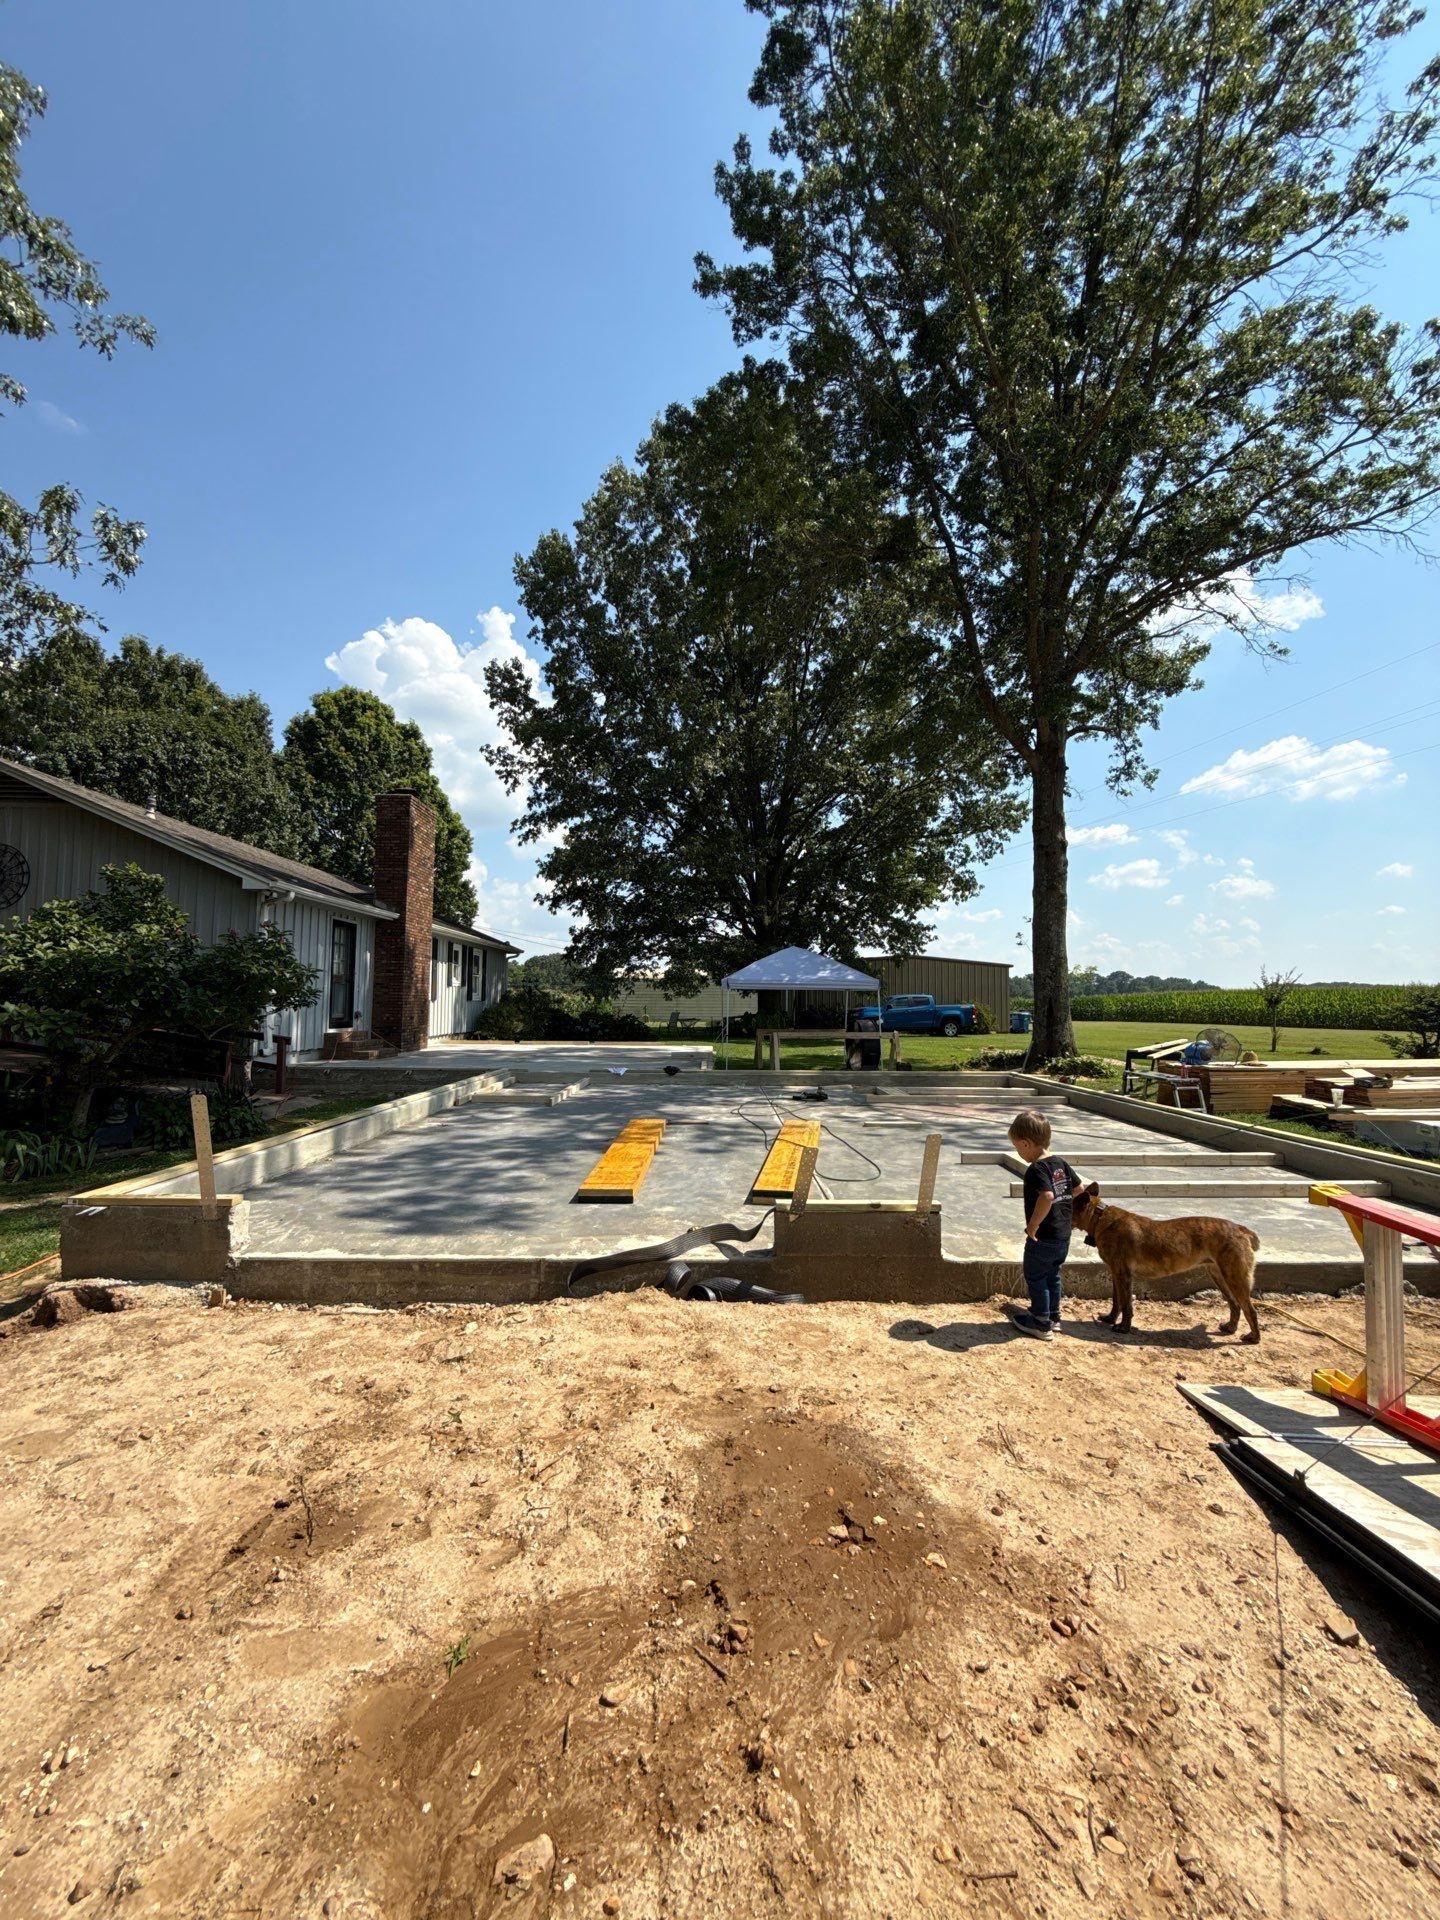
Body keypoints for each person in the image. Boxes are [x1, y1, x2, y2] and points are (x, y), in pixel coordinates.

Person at [1006, 1108, 1081, 1341]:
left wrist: (1033, 1226)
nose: (1019, 1153)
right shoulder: (1061, 1164)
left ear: (1026, 1143)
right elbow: (1079, 1190)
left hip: (1043, 1237)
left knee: (1036, 1276)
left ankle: (1040, 1321)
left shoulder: (1036, 1169)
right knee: (1053, 1275)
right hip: (1062, 1235)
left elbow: (1047, 1196)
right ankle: (1053, 1316)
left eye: (1017, 1147)